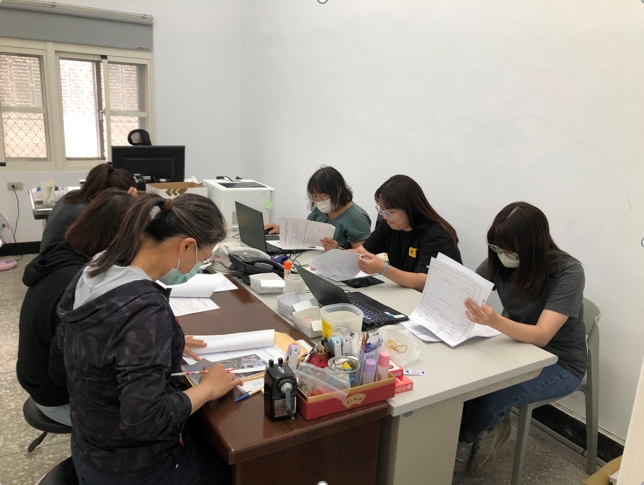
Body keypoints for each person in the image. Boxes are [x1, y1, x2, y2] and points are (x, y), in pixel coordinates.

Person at [57, 193, 241, 485]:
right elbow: (145, 420)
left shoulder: (98, 265)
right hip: (132, 467)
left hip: (89, 445)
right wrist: (207, 388)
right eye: (202, 259)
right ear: (186, 246)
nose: (197, 267)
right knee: (238, 467)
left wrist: (153, 344)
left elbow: (82, 344)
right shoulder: (144, 309)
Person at [456, 202, 586, 474]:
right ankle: (482, 427)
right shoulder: (499, 260)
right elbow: (464, 290)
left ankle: (465, 439)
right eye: (497, 248)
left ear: (533, 246)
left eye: (509, 251)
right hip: (514, 346)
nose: (502, 256)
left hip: (559, 362)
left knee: (491, 395)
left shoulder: (568, 272)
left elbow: (542, 336)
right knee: (463, 380)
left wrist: (493, 320)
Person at [17, 189, 136, 426]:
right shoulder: (82, 284)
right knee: (148, 416)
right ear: (119, 238)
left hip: (38, 379)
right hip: (58, 398)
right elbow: (65, 371)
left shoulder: (64, 256)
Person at [350, 175, 461, 291]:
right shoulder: (389, 224)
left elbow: (424, 281)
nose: (385, 217)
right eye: (382, 210)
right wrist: (337, 255)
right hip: (404, 291)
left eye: (390, 212)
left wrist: (383, 269)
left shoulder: (436, 235)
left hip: (435, 295)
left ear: (409, 209)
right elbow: (361, 252)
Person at [264, 166, 371, 250]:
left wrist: (338, 250)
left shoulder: (356, 217)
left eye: (323, 197)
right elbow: (307, 233)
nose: (319, 201)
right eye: (315, 197)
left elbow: (363, 255)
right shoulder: (321, 210)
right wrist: (284, 229)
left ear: (338, 191)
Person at [40, 163, 137, 251]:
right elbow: (113, 248)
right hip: (61, 261)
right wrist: (128, 209)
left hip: (48, 259)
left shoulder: (71, 197)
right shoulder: (86, 214)